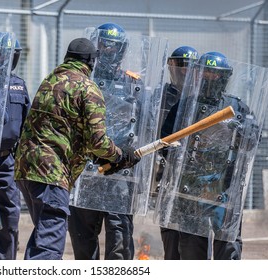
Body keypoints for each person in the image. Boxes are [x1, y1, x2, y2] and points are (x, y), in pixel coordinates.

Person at [14, 37, 141, 260]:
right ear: (91, 62)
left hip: (26, 170)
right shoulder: (88, 88)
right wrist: (120, 155)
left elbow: (65, 130)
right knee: (49, 246)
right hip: (51, 174)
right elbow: (98, 141)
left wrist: (97, 158)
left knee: (43, 235)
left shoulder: (50, 81)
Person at [160, 51, 260, 259]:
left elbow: (251, 143)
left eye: (215, 75)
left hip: (224, 189)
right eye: (205, 74)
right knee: (191, 250)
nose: (209, 79)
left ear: (224, 77)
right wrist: (180, 154)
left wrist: (240, 131)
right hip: (190, 190)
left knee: (228, 247)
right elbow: (165, 143)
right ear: (197, 75)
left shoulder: (237, 107)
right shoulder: (184, 107)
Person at [67, 23, 143, 260]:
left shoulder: (134, 84)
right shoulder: (81, 81)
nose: (108, 50)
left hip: (119, 174)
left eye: (114, 47)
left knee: (120, 242)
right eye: (104, 45)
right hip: (85, 172)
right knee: (83, 242)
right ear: (96, 47)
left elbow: (142, 126)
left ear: (122, 50)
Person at [0, 32, 31, 260]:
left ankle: (4, 265)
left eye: (12, 56)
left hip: (6, 160)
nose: (7, 60)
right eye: (3, 55)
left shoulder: (18, 86)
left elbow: (27, 126)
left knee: (9, 218)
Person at [155, 46, 199, 260]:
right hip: (166, 174)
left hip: (196, 178)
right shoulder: (159, 97)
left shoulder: (203, 100)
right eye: (180, 65)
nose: (185, 70)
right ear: (171, 66)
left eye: (190, 66)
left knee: (193, 239)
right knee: (171, 233)